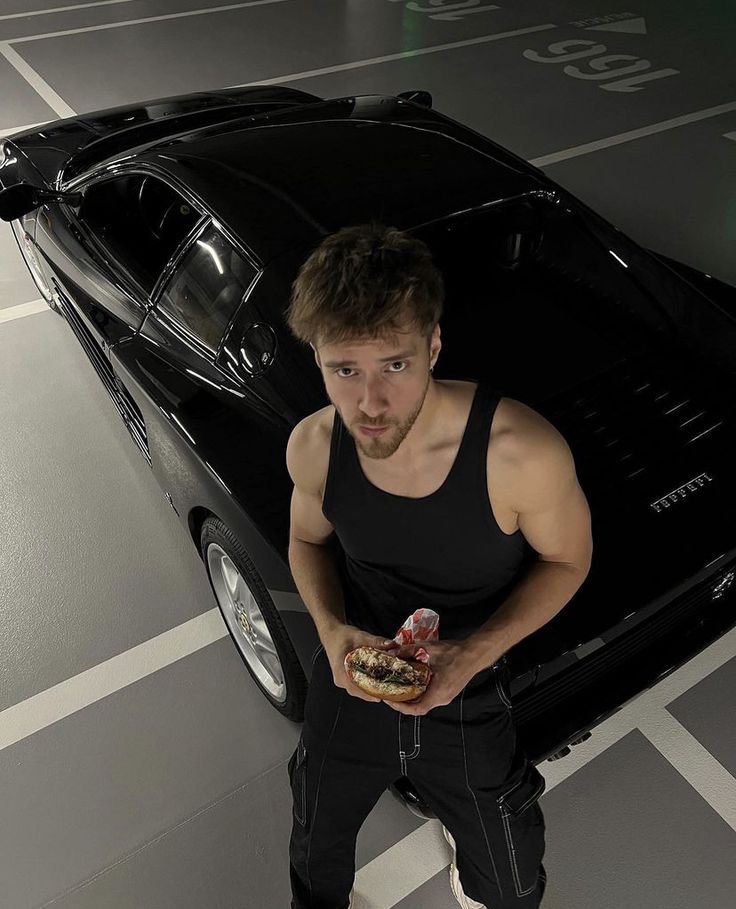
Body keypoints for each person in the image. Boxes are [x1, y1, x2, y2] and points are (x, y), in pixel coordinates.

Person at [283, 222, 593, 909]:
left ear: (433, 346)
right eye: (345, 370)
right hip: (353, 669)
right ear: (318, 358)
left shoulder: (519, 452)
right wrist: (331, 631)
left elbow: (569, 559)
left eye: (394, 364)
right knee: (315, 832)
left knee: (511, 882)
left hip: (471, 685)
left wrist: (473, 654)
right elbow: (307, 543)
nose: (369, 402)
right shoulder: (312, 445)